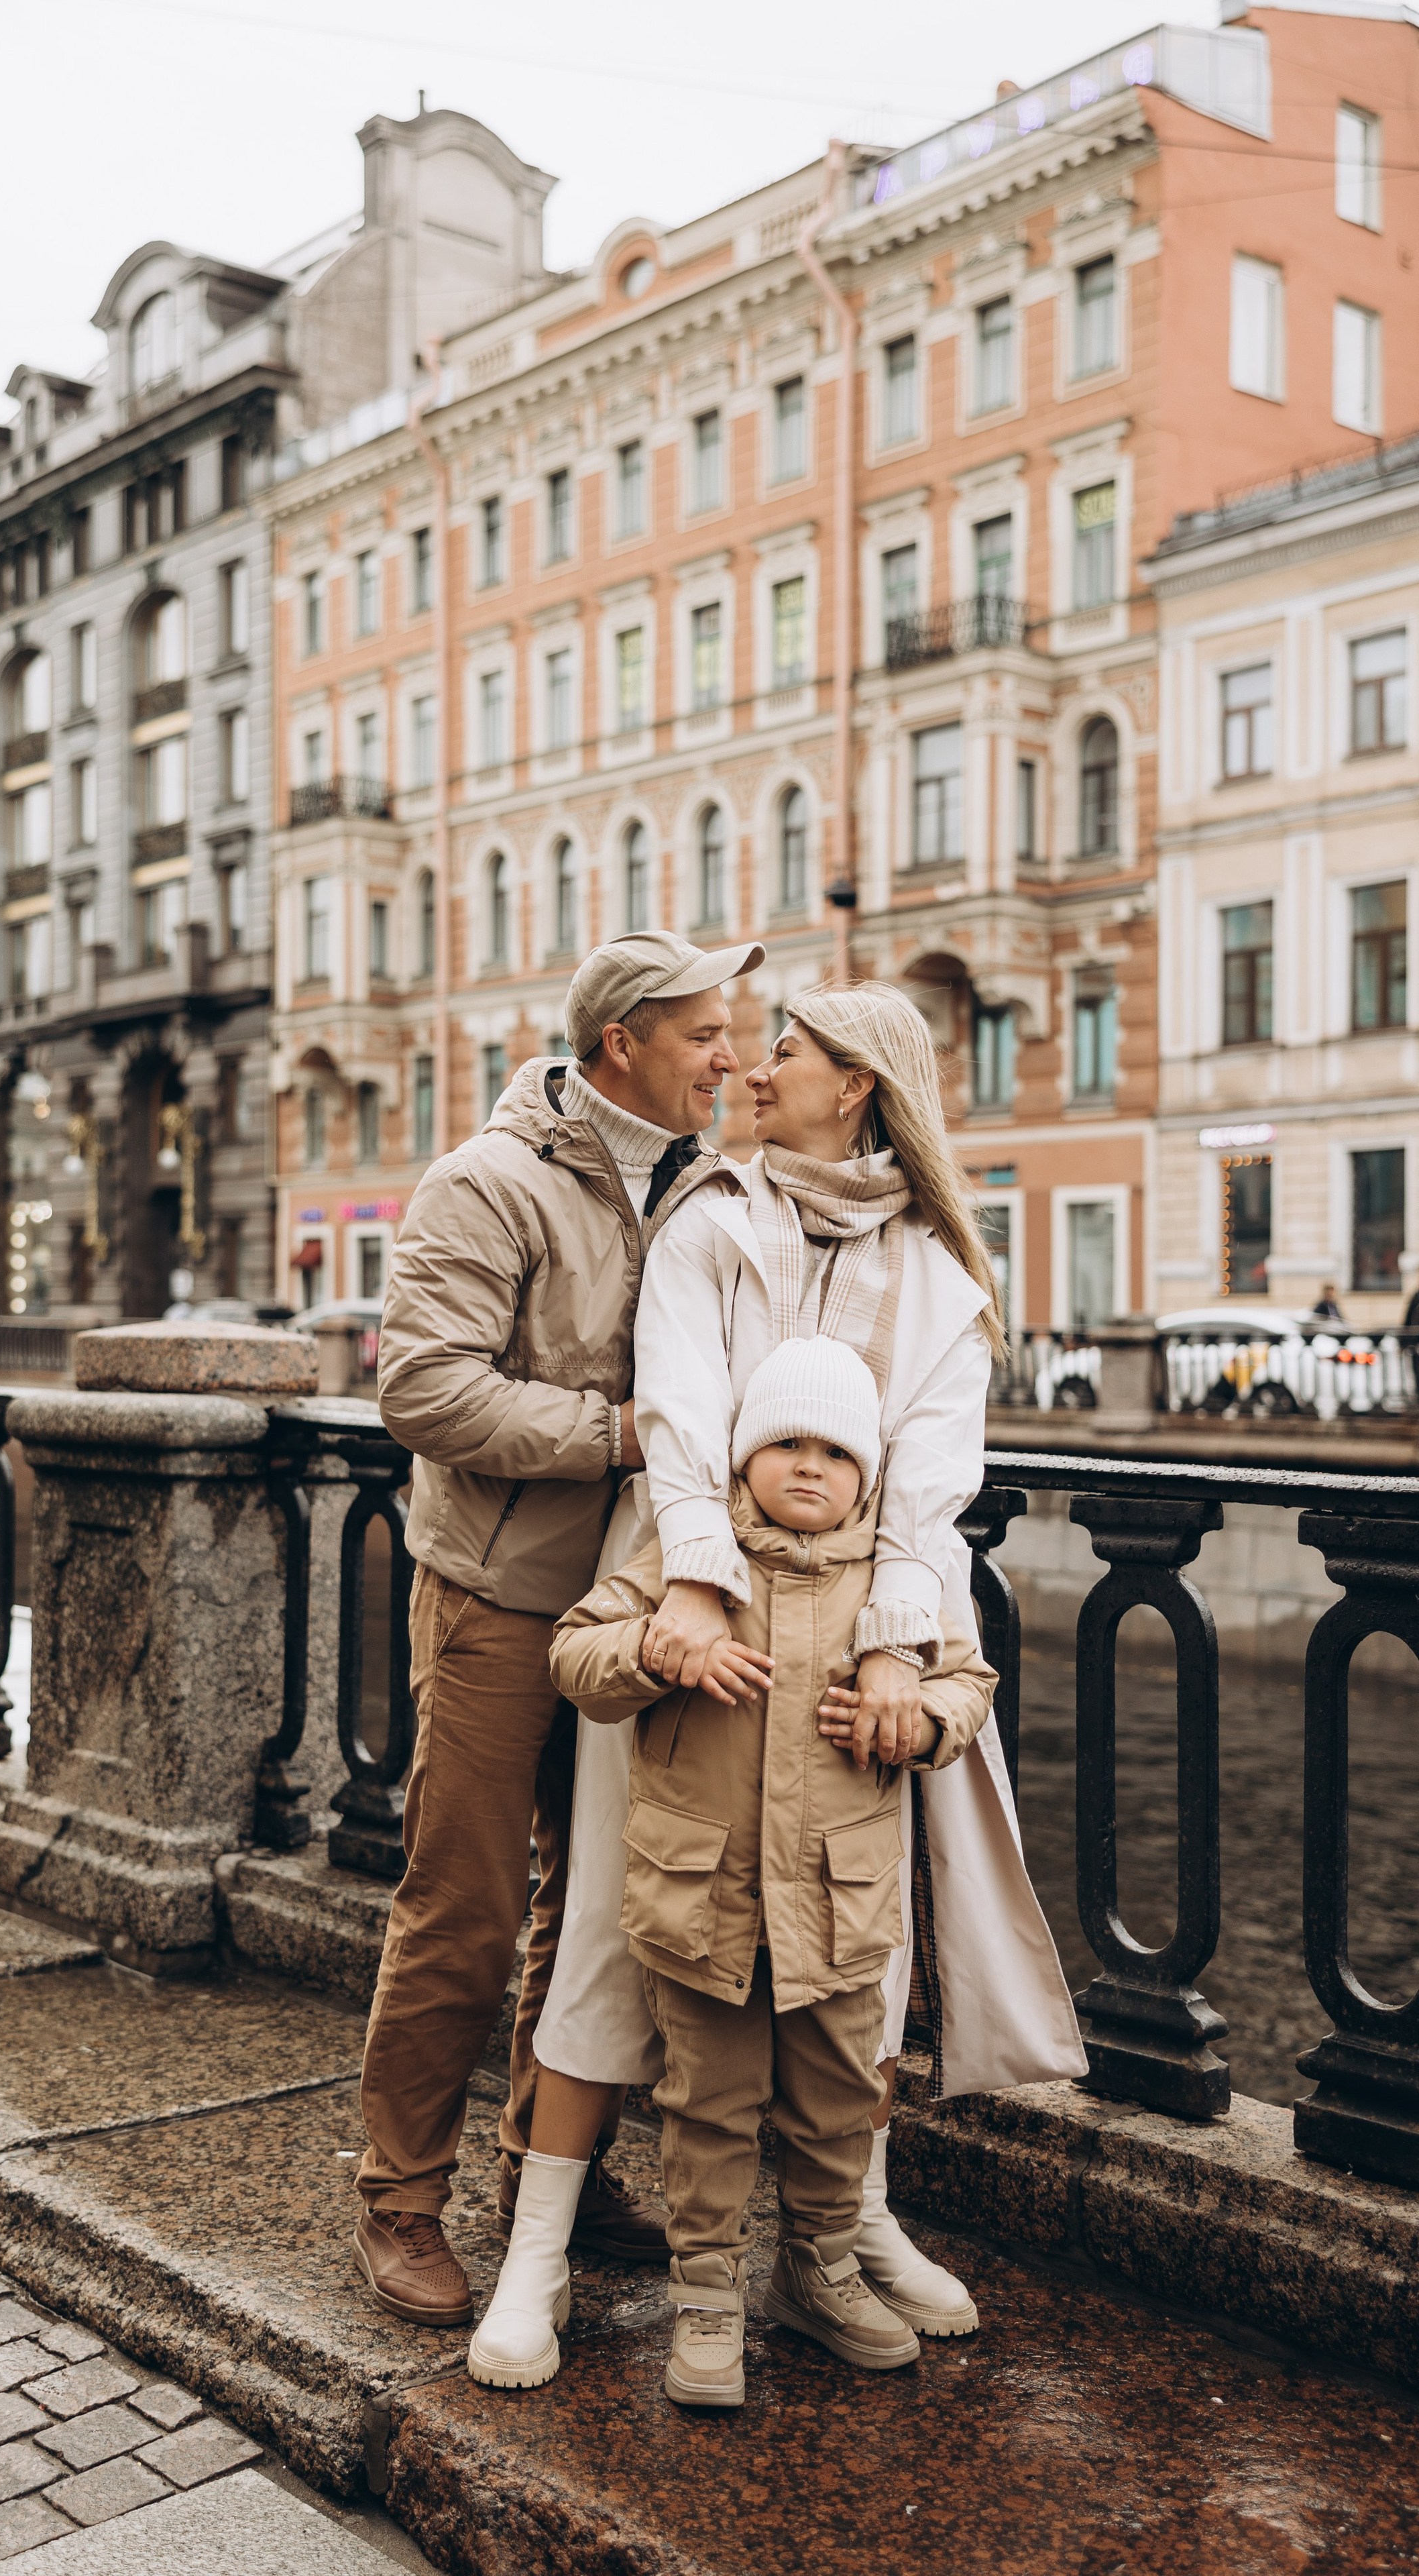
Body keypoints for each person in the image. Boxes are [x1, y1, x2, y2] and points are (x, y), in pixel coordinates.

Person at [488, 979, 1084, 2364]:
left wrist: (889, 1651)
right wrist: (689, 1594)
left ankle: (844, 2224)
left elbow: (929, 1485)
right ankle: (536, 2249)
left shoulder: (941, 1273)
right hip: (683, 1613)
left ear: (857, 1082)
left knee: (850, 1947)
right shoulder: (713, 1218)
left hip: (869, 1631)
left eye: (790, 1051)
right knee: (604, 1931)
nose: (756, 1065)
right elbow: (679, 1410)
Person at [354, 928, 764, 2326]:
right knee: (461, 1908)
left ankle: (555, 2167)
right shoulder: (485, 1181)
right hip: (498, 1595)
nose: (732, 1054)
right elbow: (422, 1391)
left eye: (736, 1028)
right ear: (619, 1048)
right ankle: (400, 2198)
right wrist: (622, 1438)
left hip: (643, 1611)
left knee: (589, 1914)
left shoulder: (715, 1184)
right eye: (706, 1032)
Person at [470, 1337, 999, 2402]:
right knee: (705, 2107)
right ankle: (706, 2297)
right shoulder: (688, 1561)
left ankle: (819, 2267)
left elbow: (968, 1682)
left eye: (838, 1454)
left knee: (840, 2101)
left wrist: (925, 1720)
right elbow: (576, 1653)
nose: (811, 1468)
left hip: (838, 1911)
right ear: (741, 1455)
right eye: (785, 1444)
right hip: (701, 1904)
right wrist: (655, 1651)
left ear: (872, 1475)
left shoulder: (894, 1585)